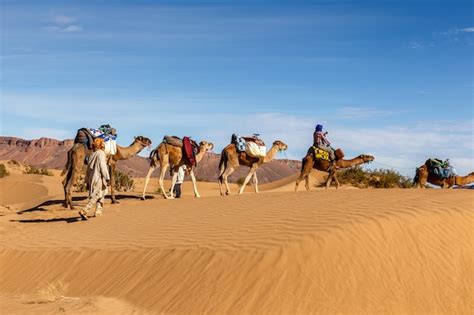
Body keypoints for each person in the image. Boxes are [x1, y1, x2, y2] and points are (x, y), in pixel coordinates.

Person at [79, 138, 110, 220]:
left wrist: (87, 181)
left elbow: (88, 170)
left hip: (92, 178)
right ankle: (85, 210)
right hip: (99, 178)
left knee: (102, 194)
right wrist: (107, 178)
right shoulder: (101, 153)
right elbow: (103, 166)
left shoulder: (92, 155)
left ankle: (98, 212)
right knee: (96, 195)